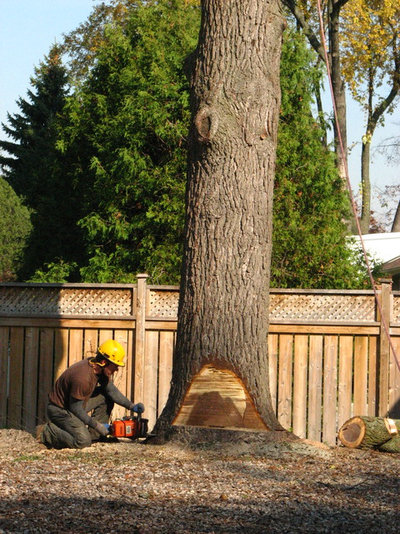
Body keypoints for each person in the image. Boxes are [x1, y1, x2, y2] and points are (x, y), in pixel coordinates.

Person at [39, 339, 144, 449]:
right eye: (115, 365)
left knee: (106, 397)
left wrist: (132, 406)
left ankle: (95, 436)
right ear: (104, 362)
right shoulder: (82, 378)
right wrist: (96, 425)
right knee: (82, 442)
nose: (117, 369)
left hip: (76, 404)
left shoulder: (99, 368)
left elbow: (111, 391)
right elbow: (75, 409)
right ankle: (47, 432)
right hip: (60, 410)